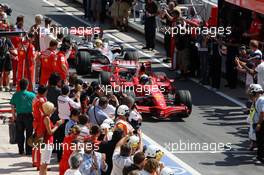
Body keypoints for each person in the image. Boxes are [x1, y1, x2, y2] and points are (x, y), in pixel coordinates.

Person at [10, 79, 36, 155]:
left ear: (19, 86)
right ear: (27, 86)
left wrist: (13, 116)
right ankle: (28, 151)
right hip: (29, 116)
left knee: (19, 134)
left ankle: (21, 150)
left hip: (19, 116)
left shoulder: (15, 95)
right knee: (29, 134)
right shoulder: (32, 95)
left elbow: (12, 106)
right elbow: (35, 106)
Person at [57, 85, 81, 161]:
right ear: (68, 92)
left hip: (60, 120)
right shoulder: (68, 100)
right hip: (67, 121)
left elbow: (67, 100)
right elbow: (78, 106)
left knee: (59, 140)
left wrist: (73, 98)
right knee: (67, 139)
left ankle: (59, 157)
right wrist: (78, 99)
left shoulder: (59, 98)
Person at [40, 101, 63, 175]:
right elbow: (50, 132)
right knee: (45, 164)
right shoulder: (46, 118)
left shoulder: (44, 116)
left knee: (44, 163)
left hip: (44, 142)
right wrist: (57, 125)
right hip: (47, 142)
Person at [32, 85, 48, 168]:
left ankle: (34, 161)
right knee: (39, 144)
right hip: (41, 123)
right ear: (44, 92)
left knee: (36, 143)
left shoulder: (35, 98)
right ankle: (39, 164)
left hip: (36, 122)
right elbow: (45, 112)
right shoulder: (41, 100)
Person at [250, 84, 264, 164]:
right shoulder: (257, 99)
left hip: (261, 123)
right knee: (260, 141)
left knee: (261, 141)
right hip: (258, 122)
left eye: (253, 92)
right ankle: (259, 156)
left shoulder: (261, 100)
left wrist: (259, 125)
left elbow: (262, 113)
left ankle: (261, 157)